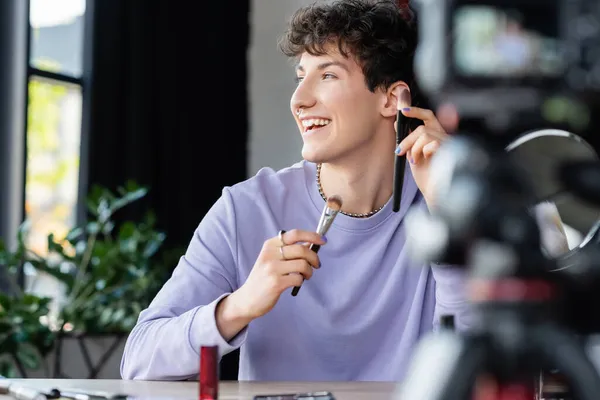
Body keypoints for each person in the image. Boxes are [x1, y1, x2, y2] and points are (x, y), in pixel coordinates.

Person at [120, 0, 473, 382]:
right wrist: (239, 305)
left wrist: (449, 218)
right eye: (299, 77)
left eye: (327, 76)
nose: (299, 100)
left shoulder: (445, 209)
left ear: (393, 100)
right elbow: (139, 362)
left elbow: (480, 368)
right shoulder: (245, 209)